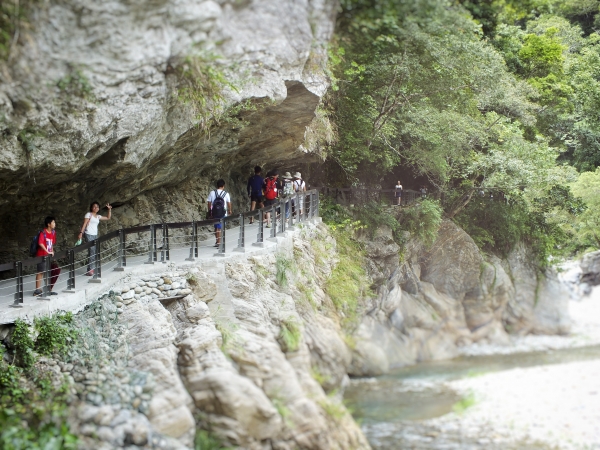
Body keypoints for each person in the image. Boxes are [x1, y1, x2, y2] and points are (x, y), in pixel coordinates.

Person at [78, 201, 112, 276]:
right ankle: (90, 270)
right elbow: (84, 224)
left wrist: (109, 210)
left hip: (95, 235)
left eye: (97, 207)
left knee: (94, 251)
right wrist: (81, 233)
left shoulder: (98, 216)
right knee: (92, 251)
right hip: (88, 234)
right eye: (94, 206)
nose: (96, 208)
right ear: (91, 207)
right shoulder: (88, 214)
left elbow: (108, 218)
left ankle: (91, 268)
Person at [33, 216, 57, 296]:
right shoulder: (43, 232)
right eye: (53, 222)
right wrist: (47, 251)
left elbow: (52, 243)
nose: (54, 224)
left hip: (48, 255)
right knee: (40, 272)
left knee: (47, 271)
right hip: (41, 255)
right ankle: (37, 290)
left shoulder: (53, 232)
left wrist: (52, 251)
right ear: (49, 224)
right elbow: (40, 243)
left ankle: (48, 289)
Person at [207, 179, 232, 247]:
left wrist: (210, 210)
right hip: (223, 213)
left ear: (217, 185)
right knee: (219, 228)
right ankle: (218, 242)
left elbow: (209, 202)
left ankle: (217, 241)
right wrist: (230, 210)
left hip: (214, 213)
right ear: (223, 186)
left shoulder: (212, 192)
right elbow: (229, 203)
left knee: (216, 227)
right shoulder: (226, 193)